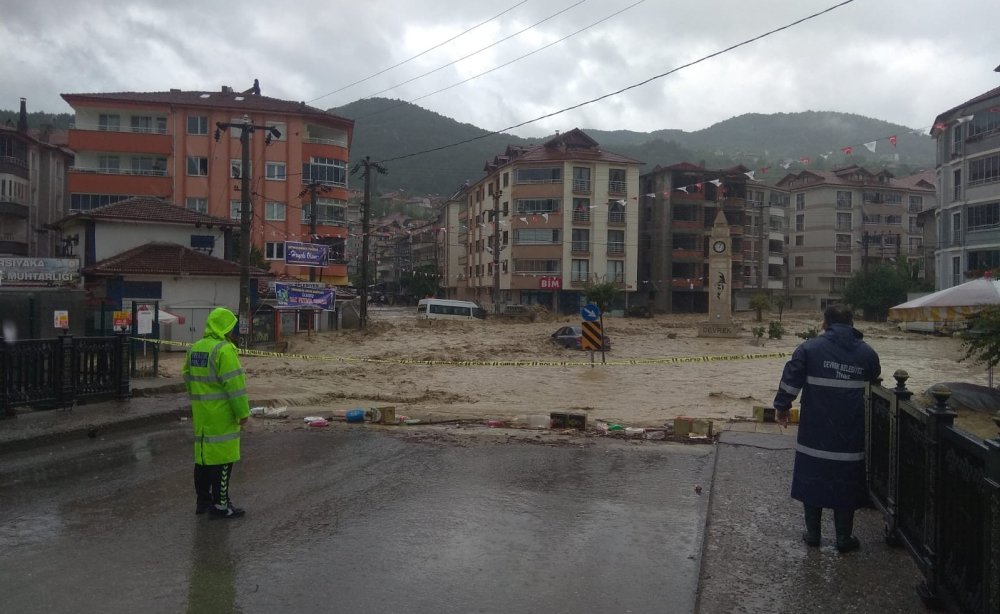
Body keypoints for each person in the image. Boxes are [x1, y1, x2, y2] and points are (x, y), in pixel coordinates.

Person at [773, 304, 880, 553]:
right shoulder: (867, 353)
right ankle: (844, 538)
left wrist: (782, 407)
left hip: (816, 430)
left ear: (825, 323)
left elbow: (790, 381)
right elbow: (875, 378)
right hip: (850, 432)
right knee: (846, 481)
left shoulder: (809, 349)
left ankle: (813, 534)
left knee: (813, 478)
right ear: (852, 323)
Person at [182, 307, 251, 519]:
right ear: (225, 327)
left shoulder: (196, 348)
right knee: (222, 461)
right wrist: (243, 413)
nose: (233, 331)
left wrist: (199, 400)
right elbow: (235, 386)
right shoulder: (224, 350)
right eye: (231, 326)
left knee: (203, 459)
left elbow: (187, 376)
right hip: (221, 415)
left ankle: (202, 502)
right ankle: (221, 506)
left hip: (202, 414)